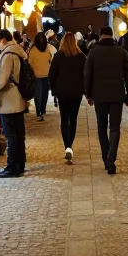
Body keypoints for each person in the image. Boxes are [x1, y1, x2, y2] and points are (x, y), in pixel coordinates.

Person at [84, 25, 128, 174]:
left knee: (101, 127)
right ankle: (111, 158)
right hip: (117, 95)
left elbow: (87, 75)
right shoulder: (122, 53)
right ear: (112, 36)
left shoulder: (93, 53)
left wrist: (89, 94)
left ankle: (106, 158)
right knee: (114, 128)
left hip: (99, 95)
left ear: (100, 36)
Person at [0, 30, 28, 178]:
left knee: (11, 135)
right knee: (19, 134)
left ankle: (12, 167)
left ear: (2, 39)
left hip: (8, 101)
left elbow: (0, 80)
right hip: (18, 99)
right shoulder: (18, 52)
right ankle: (20, 164)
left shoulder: (7, 55)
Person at [48, 31, 86, 163]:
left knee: (64, 119)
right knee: (73, 118)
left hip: (62, 91)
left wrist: (53, 90)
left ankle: (67, 146)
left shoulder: (58, 56)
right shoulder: (81, 56)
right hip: (76, 92)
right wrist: (86, 91)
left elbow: (52, 75)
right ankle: (70, 145)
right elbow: (85, 75)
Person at [28, 31, 56, 120]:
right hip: (45, 75)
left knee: (38, 95)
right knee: (44, 95)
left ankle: (39, 112)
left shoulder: (33, 50)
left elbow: (30, 63)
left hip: (37, 76)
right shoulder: (46, 49)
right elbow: (50, 60)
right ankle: (42, 111)